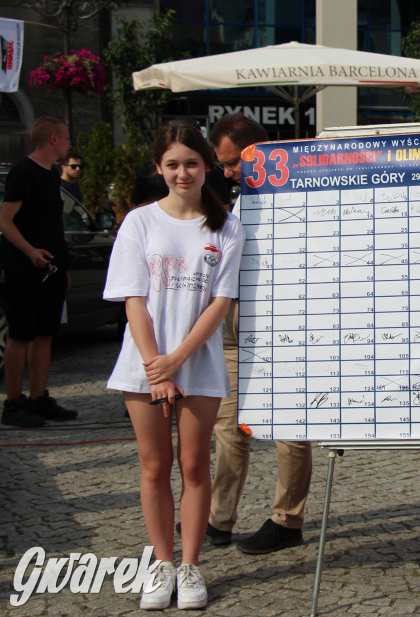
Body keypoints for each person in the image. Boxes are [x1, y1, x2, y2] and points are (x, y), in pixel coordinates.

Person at [103, 119, 243, 610]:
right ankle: (161, 565)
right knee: (154, 466)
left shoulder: (227, 227)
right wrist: (155, 367)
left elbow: (220, 302)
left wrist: (179, 360)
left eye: (191, 163)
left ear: (206, 166)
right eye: (172, 165)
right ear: (158, 168)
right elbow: (133, 300)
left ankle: (191, 566)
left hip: (198, 363)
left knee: (194, 465)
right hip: (144, 363)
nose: (182, 173)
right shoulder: (140, 222)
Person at [207, 113, 313, 554]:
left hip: (283, 326)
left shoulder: (297, 192)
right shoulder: (234, 199)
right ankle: (217, 520)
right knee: (227, 425)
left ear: (257, 152)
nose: (227, 171)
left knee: (290, 425)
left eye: (232, 163)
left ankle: (287, 521)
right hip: (234, 327)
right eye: (223, 165)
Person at [0, 116, 77, 427]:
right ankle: (13, 401)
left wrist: (64, 267)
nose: (71, 143)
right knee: (21, 334)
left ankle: (39, 397)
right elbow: (5, 221)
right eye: (67, 138)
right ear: (54, 139)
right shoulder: (23, 172)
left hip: (52, 267)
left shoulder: (52, 174)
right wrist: (30, 250)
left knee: (45, 334)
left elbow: (53, 225)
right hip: (23, 268)